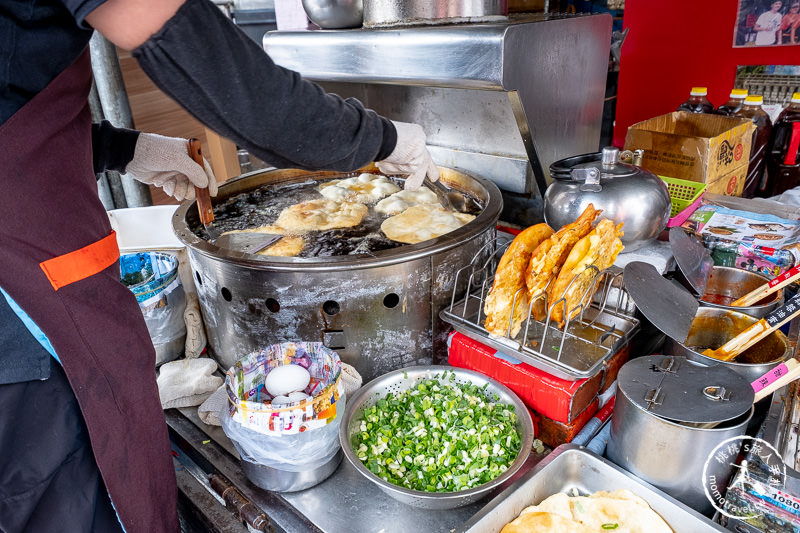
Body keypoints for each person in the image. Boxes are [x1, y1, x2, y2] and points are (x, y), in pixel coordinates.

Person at [0, 0, 439, 531]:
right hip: (26, 312)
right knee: (80, 497)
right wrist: (381, 138)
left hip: (36, 274)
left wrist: (121, 147)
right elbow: (217, 72)